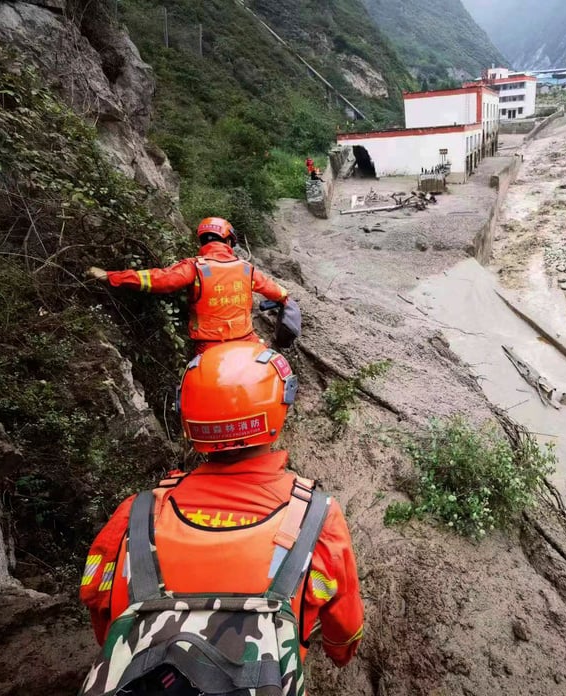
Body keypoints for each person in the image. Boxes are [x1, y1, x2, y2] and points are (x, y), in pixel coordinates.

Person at [79, 342, 364, 695]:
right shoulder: (316, 518)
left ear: (189, 419)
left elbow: (100, 610)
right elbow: (344, 626)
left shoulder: (135, 515)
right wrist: (339, 652)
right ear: (278, 412)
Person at [87, 217, 288, 353]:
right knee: (272, 369)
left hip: (209, 347)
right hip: (245, 340)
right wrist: (284, 298)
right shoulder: (245, 268)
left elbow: (160, 280)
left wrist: (114, 277)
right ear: (228, 241)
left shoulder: (195, 267)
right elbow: (274, 290)